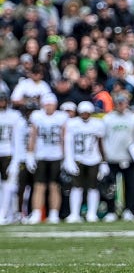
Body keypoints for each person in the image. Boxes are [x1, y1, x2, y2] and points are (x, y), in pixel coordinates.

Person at [102, 93, 134, 221]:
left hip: (129, 158)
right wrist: (103, 158)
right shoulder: (108, 118)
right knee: (110, 187)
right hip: (112, 157)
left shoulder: (133, 118)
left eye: (123, 102)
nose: (121, 105)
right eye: (118, 102)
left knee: (133, 186)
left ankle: (130, 210)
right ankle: (111, 211)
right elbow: (103, 139)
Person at [25, 93, 68, 224]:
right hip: (41, 156)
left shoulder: (61, 117)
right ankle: (37, 213)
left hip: (56, 156)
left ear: (55, 104)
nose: (49, 106)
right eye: (47, 104)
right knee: (39, 186)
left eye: (51, 104)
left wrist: (66, 157)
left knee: (54, 186)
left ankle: (54, 214)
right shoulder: (37, 116)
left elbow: (64, 137)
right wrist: (30, 154)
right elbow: (33, 135)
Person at [63, 101, 109, 223]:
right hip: (78, 158)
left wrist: (104, 162)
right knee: (76, 186)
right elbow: (68, 143)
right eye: (83, 113)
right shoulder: (72, 124)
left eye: (87, 113)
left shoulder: (97, 124)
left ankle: (92, 213)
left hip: (93, 159)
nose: (85, 115)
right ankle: (74, 214)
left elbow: (101, 143)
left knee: (93, 187)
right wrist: (69, 160)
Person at [0, 91, 27, 225]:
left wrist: (16, 159)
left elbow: (18, 139)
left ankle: (5, 213)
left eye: (3, 100)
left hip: (8, 153)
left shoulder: (14, 116)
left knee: (9, 185)